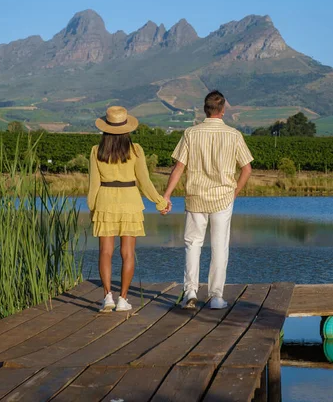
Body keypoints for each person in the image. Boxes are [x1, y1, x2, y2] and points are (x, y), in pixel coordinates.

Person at [163, 90, 253, 309]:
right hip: (223, 198)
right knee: (219, 247)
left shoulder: (190, 133)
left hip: (195, 197)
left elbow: (178, 168)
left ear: (205, 109)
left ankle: (190, 291)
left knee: (192, 244)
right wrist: (235, 191)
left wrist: (166, 195)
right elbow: (247, 169)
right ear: (222, 110)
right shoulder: (233, 135)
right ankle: (215, 297)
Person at [88, 105, 171, 312]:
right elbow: (145, 182)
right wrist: (160, 202)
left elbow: (93, 186)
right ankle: (123, 299)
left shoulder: (96, 151)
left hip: (105, 202)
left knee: (105, 252)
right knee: (128, 253)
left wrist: (93, 209)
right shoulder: (136, 150)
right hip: (130, 202)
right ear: (126, 129)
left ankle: (107, 297)